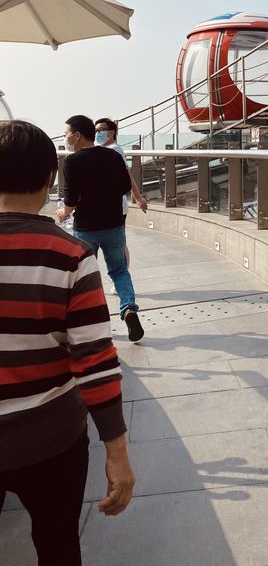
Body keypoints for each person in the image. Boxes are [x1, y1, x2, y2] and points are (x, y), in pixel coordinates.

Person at [0, 120, 135, 566]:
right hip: (51, 441)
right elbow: (94, 362)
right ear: (49, 179)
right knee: (58, 546)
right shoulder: (69, 258)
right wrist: (116, 453)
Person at [56, 114, 144, 343]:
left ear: (77, 135)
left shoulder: (73, 162)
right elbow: (125, 186)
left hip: (86, 228)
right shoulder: (113, 156)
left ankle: (94, 323)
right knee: (119, 271)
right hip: (114, 224)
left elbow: (71, 200)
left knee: (85, 277)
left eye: (66, 133)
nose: (65, 137)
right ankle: (129, 309)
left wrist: (63, 213)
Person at [94, 117, 147, 269]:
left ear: (111, 133)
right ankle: (121, 275)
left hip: (115, 206)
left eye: (101, 130)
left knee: (119, 243)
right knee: (116, 242)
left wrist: (137, 198)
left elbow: (127, 174)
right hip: (108, 205)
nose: (98, 133)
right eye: (96, 130)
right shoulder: (104, 150)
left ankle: (122, 275)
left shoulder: (114, 150)